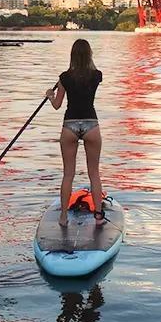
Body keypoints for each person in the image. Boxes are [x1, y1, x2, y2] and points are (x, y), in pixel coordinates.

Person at [45, 38, 104, 228]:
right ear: (89, 55)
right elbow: (90, 73)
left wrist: (50, 95)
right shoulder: (96, 75)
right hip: (91, 125)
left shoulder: (64, 77)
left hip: (69, 125)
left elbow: (57, 106)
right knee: (94, 174)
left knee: (67, 175)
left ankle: (63, 217)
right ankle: (98, 215)